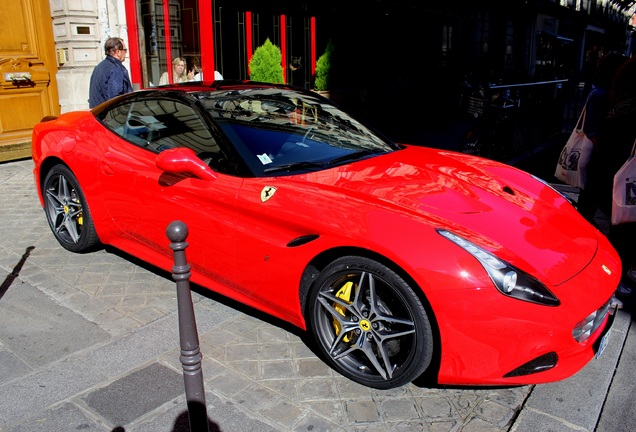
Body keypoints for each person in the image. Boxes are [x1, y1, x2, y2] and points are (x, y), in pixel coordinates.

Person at [586, 56, 636, 295]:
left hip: (613, 167)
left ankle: (615, 273)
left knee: (619, 223)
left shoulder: (618, 102)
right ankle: (613, 277)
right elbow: (596, 130)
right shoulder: (622, 105)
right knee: (622, 226)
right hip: (618, 168)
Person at [576, 52, 628, 220]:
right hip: (601, 159)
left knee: (590, 200)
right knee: (594, 199)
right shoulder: (603, 95)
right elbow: (593, 129)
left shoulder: (600, 93)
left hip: (598, 159)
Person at [88, 37, 133, 108]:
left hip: (96, 113)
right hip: (110, 116)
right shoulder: (116, 69)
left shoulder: (99, 67)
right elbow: (116, 98)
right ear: (118, 52)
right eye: (125, 50)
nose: (126, 53)